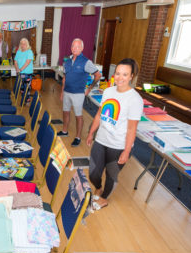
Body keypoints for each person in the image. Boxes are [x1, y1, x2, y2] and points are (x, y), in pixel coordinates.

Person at [86, 58, 143, 210]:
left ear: (131, 76)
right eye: (117, 73)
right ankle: (98, 187)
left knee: (111, 175)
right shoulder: (109, 91)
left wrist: (126, 151)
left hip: (118, 145)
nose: (120, 77)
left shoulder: (135, 99)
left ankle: (104, 198)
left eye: (125, 74)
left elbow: (132, 129)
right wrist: (91, 132)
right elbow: (99, 114)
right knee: (93, 173)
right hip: (101, 140)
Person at [58, 38, 101, 147]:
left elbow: (98, 75)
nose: (75, 48)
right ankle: (64, 131)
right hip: (67, 91)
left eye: (77, 47)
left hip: (78, 93)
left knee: (78, 116)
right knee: (65, 112)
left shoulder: (86, 62)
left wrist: (89, 88)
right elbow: (65, 77)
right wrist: (62, 92)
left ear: (82, 48)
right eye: (73, 46)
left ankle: (77, 137)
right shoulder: (67, 62)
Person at [14, 37, 34, 103]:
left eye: (24, 44)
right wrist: (17, 69)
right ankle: (23, 100)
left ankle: (27, 101)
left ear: (27, 44)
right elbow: (15, 61)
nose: (23, 45)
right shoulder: (18, 52)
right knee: (21, 88)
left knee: (27, 88)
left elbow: (27, 62)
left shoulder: (29, 52)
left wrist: (20, 69)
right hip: (20, 73)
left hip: (27, 74)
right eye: (21, 44)